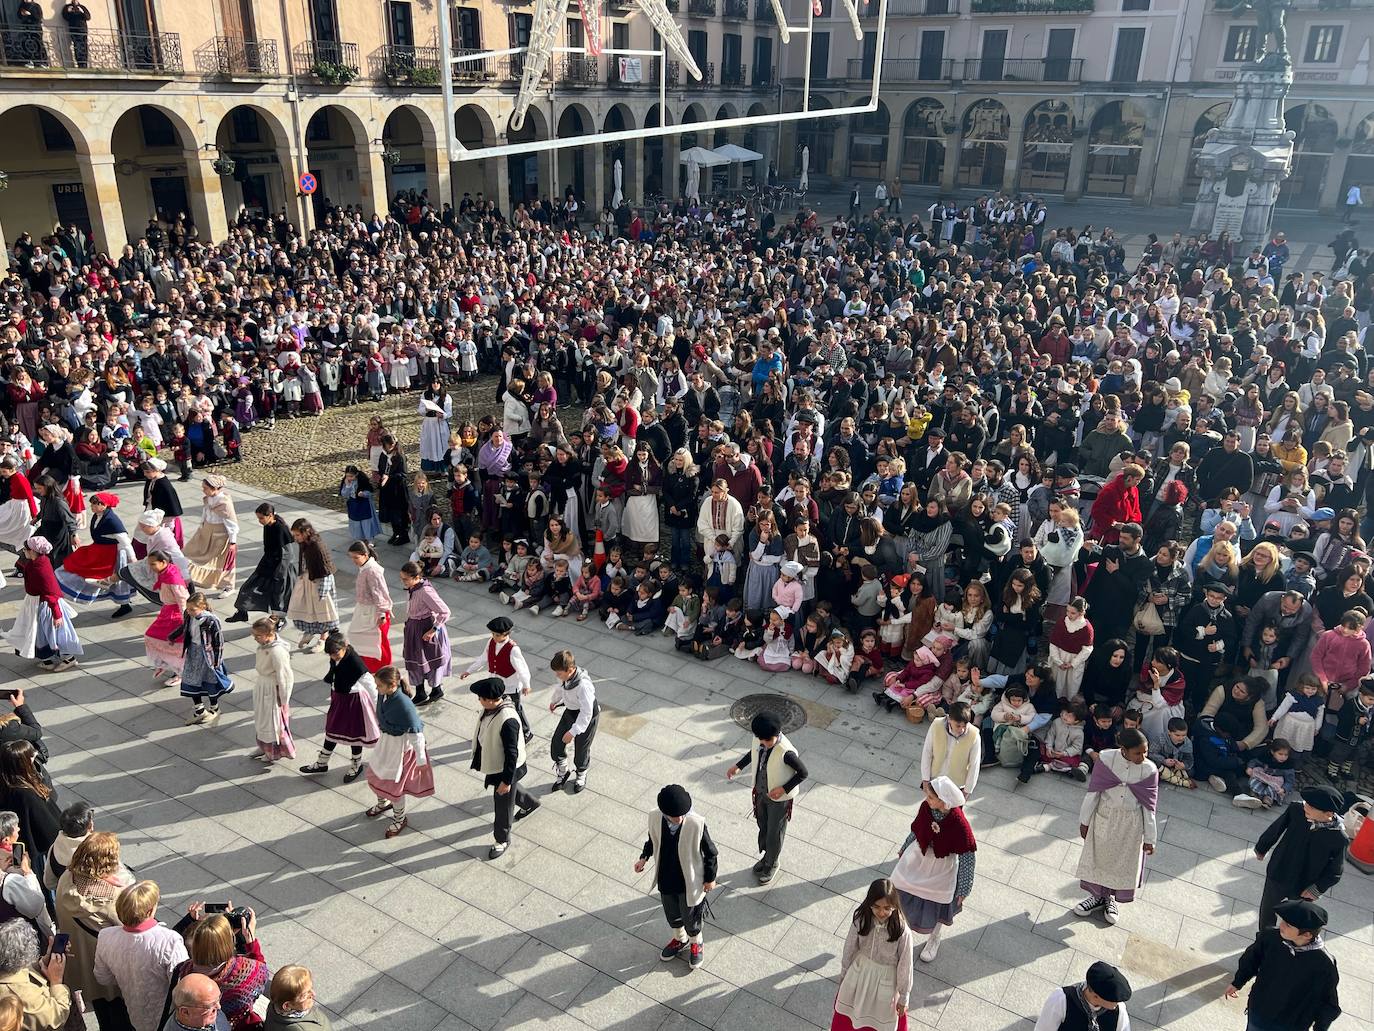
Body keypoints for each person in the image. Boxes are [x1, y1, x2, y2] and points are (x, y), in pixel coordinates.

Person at [1073, 728, 1158, 925]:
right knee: (1099, 858)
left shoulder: (1149, 770)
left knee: (1121, 864)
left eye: (1145, 752)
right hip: (1105, 818)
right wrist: (1084, 821)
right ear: (1123, 750)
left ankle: (1111, 899)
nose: (1143, 757)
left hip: (1130, 826)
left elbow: (1149, 807)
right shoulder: (1106, 759)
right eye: (1138, 753)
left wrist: (1150, 838)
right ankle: (1096, 897)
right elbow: (1093, 793)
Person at [889, 777, 976, 963]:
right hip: (918, 857)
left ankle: (934, 937)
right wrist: (905, 847)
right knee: (899, 887)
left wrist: (964, 888)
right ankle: (897, 931)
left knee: (939, 900)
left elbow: (968, 856)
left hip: (941, 866)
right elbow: (917, 830)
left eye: (930, 797)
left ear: (944, 801)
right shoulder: (926, 808)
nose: (926, 799)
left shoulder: (960, 825)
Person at [54, 832, 134, 1031]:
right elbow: (131, 927)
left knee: (102, 1011)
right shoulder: (113, 898)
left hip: (83, 964)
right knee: (120, 1016)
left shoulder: (66, 879)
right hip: (110, 967)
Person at [634, 785, 718, 970]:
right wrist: (644, 858)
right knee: (672, 913)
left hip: (689, 881)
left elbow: (711, 852)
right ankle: (680, 939)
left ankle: (696, 942)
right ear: (664, 813)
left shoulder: (696, 824)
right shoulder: (655, 818)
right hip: (666, 877)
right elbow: (652, 840)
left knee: (691, 917)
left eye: (682, 814)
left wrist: (710, 878)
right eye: (674, 816)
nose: (679, 819)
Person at [1226, 899, 1341, 1031]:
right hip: (1259, 1013)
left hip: (1290, 1024)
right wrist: (1238, 982)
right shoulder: (1271, 937)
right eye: (1282, 921)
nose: (1281, 926)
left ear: (1307, 934)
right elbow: (1251, 959)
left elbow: (1328, 1003)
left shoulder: (1324, 965)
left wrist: (1320, 1028)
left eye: (1288, 925)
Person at [92, 881, 189, 1031]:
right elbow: (182, 988)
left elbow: (103, 977)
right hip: (167, 1018)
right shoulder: (170, 941)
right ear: (149, 911)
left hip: (133, 1012)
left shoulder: (106, 936)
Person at [1254, 785, 1347, 930]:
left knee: (1296, 918)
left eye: (1311, 806)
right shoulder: (1296, 810)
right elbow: (1276, 828)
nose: (1305, 806)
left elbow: (1335, 871)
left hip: (1304, 884)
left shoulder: (1339, 838)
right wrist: (1262, 847)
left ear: (1328, 813)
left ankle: (1289, 940)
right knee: (1267, 910)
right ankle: (1265, 937)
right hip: (1279, 871)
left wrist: (1316, 889)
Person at [468, 676, 539, 859]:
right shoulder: (493, 709)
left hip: (506, 769)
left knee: (503, 804)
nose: (479, 701)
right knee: (508, 794)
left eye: (481, 698)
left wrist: (507, 780)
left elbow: (511, 754)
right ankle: (530, 802)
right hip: (496, 762)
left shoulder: (507, 719)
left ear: (491, 700)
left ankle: (502, 839)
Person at [831, 878, 915, 1031]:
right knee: (850, 1016)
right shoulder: (861, 920)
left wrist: (904, 995)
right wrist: (844, 974)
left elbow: (905, 965)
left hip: (886, 980)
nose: (881, 912)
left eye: (887, 908)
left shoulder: (902, 931)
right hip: (859, 974)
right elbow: (849, 948)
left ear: (895, 906)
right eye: (876, 907)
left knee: (877, 1021)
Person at [364, 665, 434, 840]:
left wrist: (421, 761)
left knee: (395, 787)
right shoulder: (384, 694)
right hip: (386, 743)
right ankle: (383, 803)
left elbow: (416, 734)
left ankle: (399, 818)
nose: (377, 688)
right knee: (375, 775)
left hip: (400, 749)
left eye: (379, 685)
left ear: (392, 684)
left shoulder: (404, 705)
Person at [169, 909, 270, 1031]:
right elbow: (261, 974)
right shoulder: (246, 973)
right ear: (230, 943)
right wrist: (250, 941)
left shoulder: (184, 971)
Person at [299, 632, 379, 783]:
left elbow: (371, 686)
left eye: (336, 654)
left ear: (345, 647)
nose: (333, 657)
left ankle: (356, 765)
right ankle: (322, 763)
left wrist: (378, 709)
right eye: (331, 654)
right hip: (340, 698)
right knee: (332, 729)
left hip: (354, 701)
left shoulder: (355, 663)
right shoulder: (336, 656)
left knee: (355, 735)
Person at [4, 538, 81, 672]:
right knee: (40, 632)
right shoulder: (40, 561)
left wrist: (57, 614)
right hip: (36, 602)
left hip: (45, 606)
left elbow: (50, 593)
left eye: (25, 549)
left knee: (53, 632)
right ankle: (48, 659)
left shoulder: (40, 568)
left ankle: (68, 658)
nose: (24, 551)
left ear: (33, 551)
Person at [460, 617, 533, 742]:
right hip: (495, 682)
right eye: (493, 634)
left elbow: (522, 668)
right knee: (495, 708)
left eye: (497, 635)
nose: (494, 637)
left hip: (510, 685)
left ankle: (526, 732)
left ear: (506, 634)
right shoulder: (491, 642)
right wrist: (469, 670)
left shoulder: (513, 649)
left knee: (516, 709)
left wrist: (526, 684)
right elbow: (484, 657)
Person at [0, 743, 60, 889]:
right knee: (41, 883)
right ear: (21, 763)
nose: (34, 757)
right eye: (30, 756)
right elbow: (49, 829)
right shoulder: (26, 794)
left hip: (18, 847)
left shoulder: (7, 784)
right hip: (37, 852)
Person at [227, 504, 294, 628]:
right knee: (247, 587)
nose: (260, 521)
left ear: (270, 516)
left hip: (279, 569)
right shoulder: (268, 526)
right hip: (267, 564)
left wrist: (279, 572)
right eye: (258, 518)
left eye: (261, 518)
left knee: (277, 596)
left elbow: (287, 553)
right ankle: (242, 612)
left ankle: (280, 620)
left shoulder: (280, 529)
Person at [171, 593, 232, 727]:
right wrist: (173, 636)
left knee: (210, 681)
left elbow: (219, 642)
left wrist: (217, 660)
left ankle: (214, 708)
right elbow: (185, 628)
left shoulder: (211, 620)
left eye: (193, 609)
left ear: (203, 607)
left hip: (207, 656)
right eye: (188, 608)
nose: (189, 611)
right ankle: (200, 710)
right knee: (190, 679)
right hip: (193, 652)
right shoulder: (188, 615)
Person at [0, 917, 70, 1031]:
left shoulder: (8, 969)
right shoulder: (24, 997)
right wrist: (56, 982)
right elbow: (56, 1017)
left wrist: (44, 962)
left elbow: (24, 971)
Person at [546, 650, 599, 795]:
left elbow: (586, 713)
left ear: (570, 670)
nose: (557, 676)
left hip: (586, 716)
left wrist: (573, 732)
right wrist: (554, 702)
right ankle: (563, 770)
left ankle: (581, 773)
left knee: (581, 747)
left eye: (559, 673)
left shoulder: (583, 686)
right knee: (557, 742)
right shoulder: (565, 677)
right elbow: (561, 688)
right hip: (570, 711)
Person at [398, 562, 451, 707]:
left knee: (431, 660)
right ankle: (420, 691)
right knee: (414, 660)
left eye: (405, 579)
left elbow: (445, 611)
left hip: (425, 628)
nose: (403, 582)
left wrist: (434, 630)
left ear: (416, 577)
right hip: (413, 627)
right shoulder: (413, 588)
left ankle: (436, 689)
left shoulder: (425, 591)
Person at [1031, 961, 1133, 1031]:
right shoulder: (1062, 999)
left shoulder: (1119, 1011)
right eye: (1113, 1000)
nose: (1117, 1003)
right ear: (1096, 996)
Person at [285, 520, 337, 654]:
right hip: (309, 578)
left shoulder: (317, 546)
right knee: (306, 605)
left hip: (320, 580)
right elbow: (304, 561)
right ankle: (310, 631)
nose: (295, 538)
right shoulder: (305, 544)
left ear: (306, 532)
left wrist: (323, 589)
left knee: (323, 609)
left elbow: (325, 567)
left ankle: (323, 638)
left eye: (297, 535)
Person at [0, 812, 53, 940]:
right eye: (16, 827)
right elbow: (36, 906)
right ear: (6, 839)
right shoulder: (10, 881)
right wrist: (28, 872)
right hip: (15, 937)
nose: (19, 829)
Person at [249, 618, 295, 764]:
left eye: (258, 635)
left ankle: (273, 752)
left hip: (272, 689)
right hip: (263, 685)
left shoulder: (277, 651)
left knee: (272, 723)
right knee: (261, 719)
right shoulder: (264, 646)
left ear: (269, 633)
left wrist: (283, 698)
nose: (255, 638)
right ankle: (262, 746)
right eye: (254, 635)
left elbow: (285, 676)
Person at [182, 477, 237, 594]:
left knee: (221, 561)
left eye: (205, 488)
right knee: (189, 552)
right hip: (206, 531)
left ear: (215, 488)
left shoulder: (224, 503)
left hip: (219, 536)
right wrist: (202, 526)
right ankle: (188, 576)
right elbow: (205, 513)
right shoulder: (209, 498)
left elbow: (231, 523)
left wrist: (232, 542)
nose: (203, 490)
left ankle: (228, 586)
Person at [343, 542, 391, 673]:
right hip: (365, 609)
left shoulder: (372, 571)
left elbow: (380, 593)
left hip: (373, 611)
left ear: (365, 555)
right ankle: (367, 666)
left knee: (375, 641)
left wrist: (381, 614)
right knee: (362, 639)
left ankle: (381, 668)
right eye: (351, 558)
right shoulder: (366, 567)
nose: (353, 561)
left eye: (356, 558)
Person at [919, 703, 980, 797]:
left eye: (965, 725)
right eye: (958, 726)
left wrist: (967, 791)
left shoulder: (974, 735)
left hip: (956, 785)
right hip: (935, 779)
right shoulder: (936, 725)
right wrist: (925, 779)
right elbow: (927, 752)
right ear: (949, 719)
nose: (962, 729)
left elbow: (974, 765)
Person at [261, 967, 331, 1031]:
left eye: (311, 989)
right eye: (304, 996)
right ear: (287, 1006)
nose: (313, 994)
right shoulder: (299, 1029)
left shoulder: (275, 1004)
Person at [158, 973, 228, 1031]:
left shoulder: (204, 1017)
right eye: (210, 1005)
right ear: (185, 1012)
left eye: (218, 998)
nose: (219, 1007)